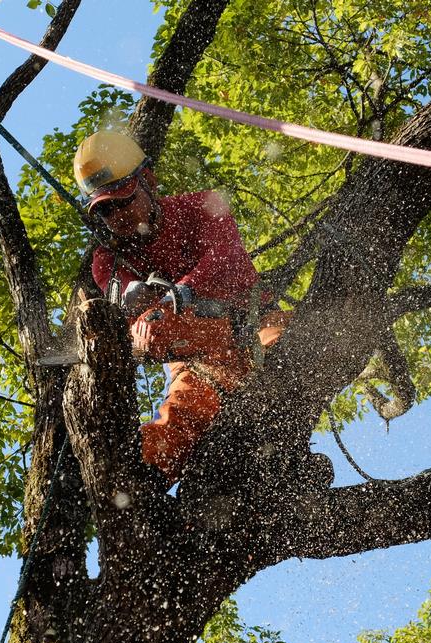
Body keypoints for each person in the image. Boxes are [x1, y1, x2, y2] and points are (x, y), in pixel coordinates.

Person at [73, 130, 305, 484]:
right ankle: (143, 488)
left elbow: (225, 255)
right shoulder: (108, 260)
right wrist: (132, 307)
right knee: (174, 425)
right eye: (105, 209)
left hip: (256, 326)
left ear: (147, 180)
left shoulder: (203, 207)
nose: (117, 215)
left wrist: (180, 292)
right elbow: (131, 321)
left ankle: (280, 463)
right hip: (198, 361)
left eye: (123, 200)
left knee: (293, 355)